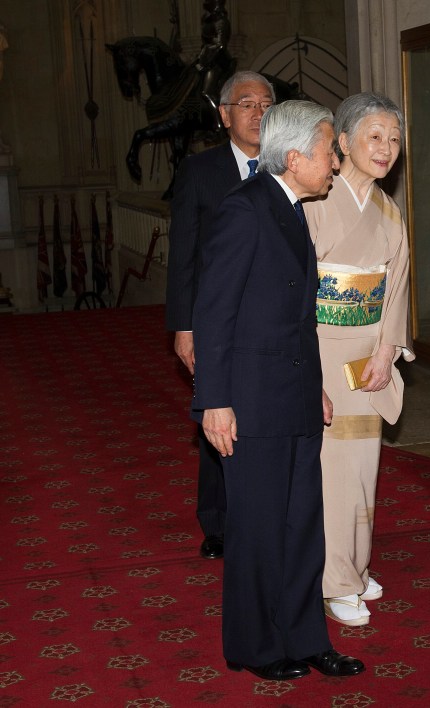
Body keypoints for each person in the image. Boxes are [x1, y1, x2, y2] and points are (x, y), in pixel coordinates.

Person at [191, 100, 364, 680]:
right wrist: (213, 401)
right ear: (294, 158)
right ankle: (255, 646)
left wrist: (313, 387)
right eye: (327, 153)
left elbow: (297, 317)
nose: (335, 164)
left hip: (291, 396)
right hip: (249, 401)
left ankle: (305, 638)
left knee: (301, 526)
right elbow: (213, 315)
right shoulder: (245, 210)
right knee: (259, 529)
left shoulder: (290, 208)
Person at [302, 92, 414, 627]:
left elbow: (396, 289)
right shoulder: (315, 205)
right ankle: (336, 579)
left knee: (364, 468)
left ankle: (356, 566)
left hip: (367, 355)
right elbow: (294, 293)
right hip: (320, 352)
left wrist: (388, 349)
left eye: (394, 139)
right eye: (375, 136)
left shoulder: (389, 211)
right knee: (334, 474)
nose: (386, 148)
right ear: (342, 142)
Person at [166, 70, 275, 560]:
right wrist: (184, 326)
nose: (258, 113)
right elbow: (184, 254)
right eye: (246, 103)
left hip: (272, 320)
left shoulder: (288, 167)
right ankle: (217, 522)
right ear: (225, 114)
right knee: (218, 415)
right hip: (217, 321)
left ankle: (265, 514)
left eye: (267, 104)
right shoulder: (200, 171)